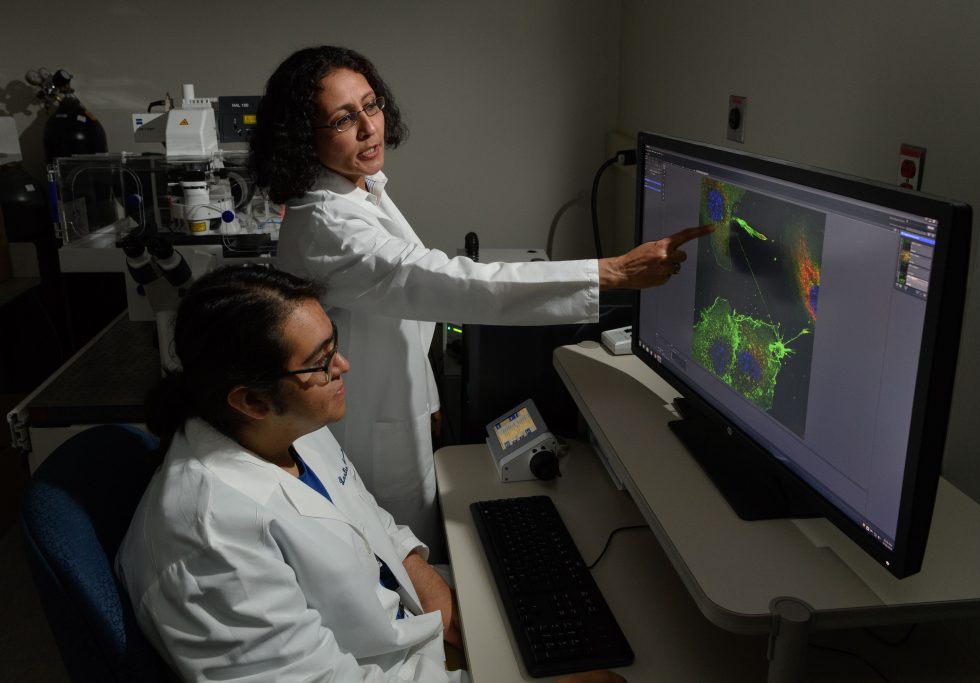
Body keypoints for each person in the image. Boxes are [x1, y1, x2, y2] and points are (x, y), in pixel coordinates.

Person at [249, 45, 713, 548]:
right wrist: (613, 272)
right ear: (302, 137)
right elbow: (445, 283)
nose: (368, 127)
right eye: (343, 119)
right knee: (392, 556)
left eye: (371, 105)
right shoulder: (327, 224)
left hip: (395, 403)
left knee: (408, 545)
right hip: (363, 427)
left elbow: (398, 305)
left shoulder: (358, 188)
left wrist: (427, 397)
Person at [116, 264, 625, 683]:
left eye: (332, 344)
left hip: (404, 643)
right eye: (320, 363)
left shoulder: (289, 427)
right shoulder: (211, 539)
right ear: (251, 400)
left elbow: (375, 526)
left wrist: (450, 614)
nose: (344, 365)